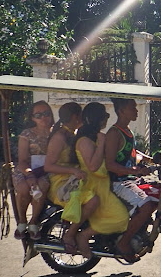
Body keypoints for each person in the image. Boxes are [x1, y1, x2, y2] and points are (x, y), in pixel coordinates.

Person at [73, 102, 129, 258]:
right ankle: (84, 235)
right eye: (105, 116)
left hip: (104, 184)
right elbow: (92, 166)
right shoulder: (85, 140)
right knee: (121, 218)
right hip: (93, 186)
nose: (106, 119)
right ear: (96, 118)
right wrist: (102, 142)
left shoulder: (94, 137)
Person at [105, 98, 157, 263]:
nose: (136, 110)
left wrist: (152, 160)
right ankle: (124, 242)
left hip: (130, 180)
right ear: (121, 111)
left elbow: (133, 152)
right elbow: (110, 164)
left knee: (156, 193)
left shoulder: (127, 130)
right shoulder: (114, 133)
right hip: (119, 182)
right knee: (147, 205)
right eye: (132, 108)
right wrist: (134, 170)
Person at [45, 102, 99, 254]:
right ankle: (70, 235)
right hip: (61, 182)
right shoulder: (59, 137)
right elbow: (48, 166)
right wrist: (72, 171)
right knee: (93, 200)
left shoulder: (74, 133)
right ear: (75, 117)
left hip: (75, 178)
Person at [12, 101, 54, 240]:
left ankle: (34, 221)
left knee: (41, 186)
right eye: (38, 115)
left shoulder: (56, 133)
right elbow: (22, 160)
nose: (43, 117)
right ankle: (22, 221)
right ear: (32, 118)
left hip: (47, 170)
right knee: (24, 188)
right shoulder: (26, 135)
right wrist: (29, 175)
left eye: (46, 113)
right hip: (26, 169)